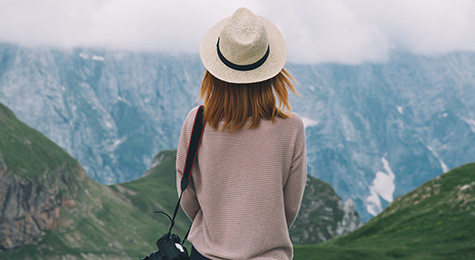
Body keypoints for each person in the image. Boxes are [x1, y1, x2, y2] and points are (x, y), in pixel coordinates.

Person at [176, 7, 307, 260]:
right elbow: (290, 206)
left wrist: (219, 230)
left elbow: (186, 193)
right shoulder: (292, 128)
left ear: (215, 72)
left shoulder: (197, 121)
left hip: (206, 254)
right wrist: (257, 234)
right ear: (272, 73)